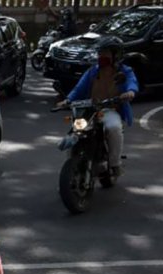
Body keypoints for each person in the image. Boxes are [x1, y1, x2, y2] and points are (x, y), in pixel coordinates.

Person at [56, 36, 138, 177]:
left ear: (116, 55)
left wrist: (130, 92)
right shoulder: (93, 71)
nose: (101, 56)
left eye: (105, 53)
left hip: (109, 110)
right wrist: (67, 100)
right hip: (90, 110)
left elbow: (132, 83)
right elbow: (79, 88)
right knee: (75, 132)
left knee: (114, 128)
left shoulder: (125, 71)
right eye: (100, 53)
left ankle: (115, 164)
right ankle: (71, 172)